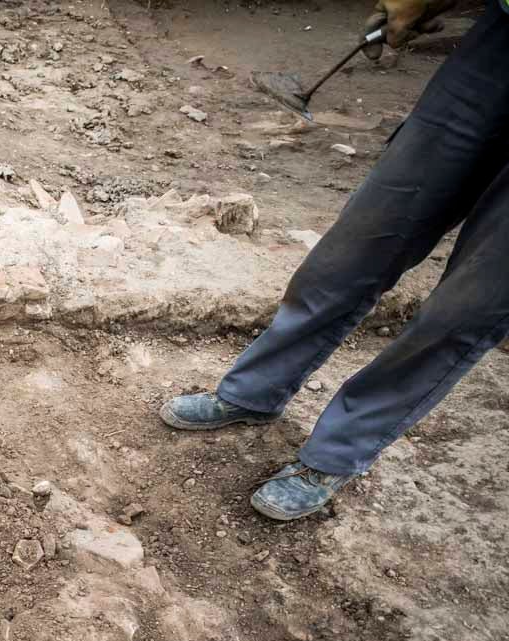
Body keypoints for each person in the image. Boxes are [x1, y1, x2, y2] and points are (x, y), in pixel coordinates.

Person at [160, 0, 508, 520]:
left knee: (466, 306)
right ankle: (254, 392)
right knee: (362, 239)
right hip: (498, 50)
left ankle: (335, 453)